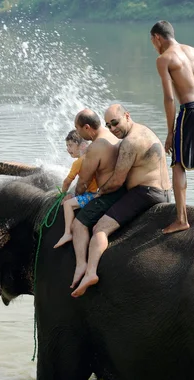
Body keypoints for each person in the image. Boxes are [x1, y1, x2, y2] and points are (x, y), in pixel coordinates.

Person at [70, 104, 171, 297]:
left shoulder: (129, 143)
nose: (112, 129)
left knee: (100, 228)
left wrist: (100, 192)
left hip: (145, 193)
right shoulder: (144, 130)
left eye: (115, 123)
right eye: (108, 125)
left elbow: (117, 181)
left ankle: (90, 272)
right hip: (164, 191)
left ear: (126, 116)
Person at [150, 20, 194, 234]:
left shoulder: (163, 59)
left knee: (178, 164)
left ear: (157, 38)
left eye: (153, 42)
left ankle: (181, 219)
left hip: (190, 110)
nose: (154, 46)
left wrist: (171, 132)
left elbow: (169, 99)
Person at [69, 108, 125, 291]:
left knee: (78, 224)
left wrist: (73, 196)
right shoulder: (114, 136)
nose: (78, 134)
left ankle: (80, 266)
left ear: (87, 127)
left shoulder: (96, 146)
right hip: (124, 190)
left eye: (78, 130)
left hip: (110, 194)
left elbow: (83, 182)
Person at [53, 129, 98, 249]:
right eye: (67, 146)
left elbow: (67, 181)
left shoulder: (78, 162)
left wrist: (63, 194)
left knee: (68, 204)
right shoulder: (94, 156)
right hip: (98, 192)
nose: (68, 149)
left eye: (71, 145)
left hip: (92, 195)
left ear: (82, 145)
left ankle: (67, 233)